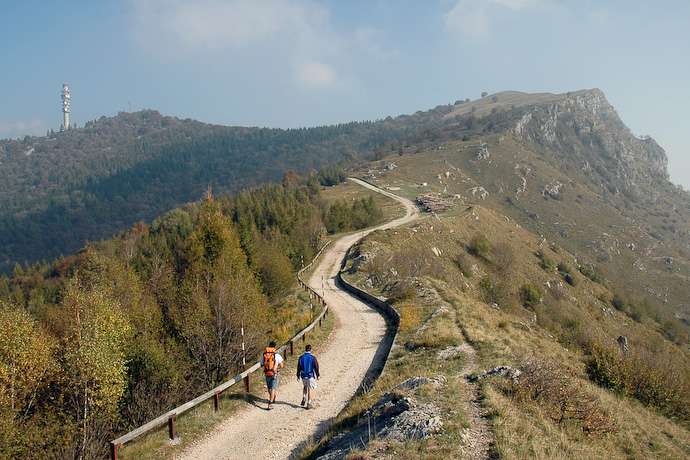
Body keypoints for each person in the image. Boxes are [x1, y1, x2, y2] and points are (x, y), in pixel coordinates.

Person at [259, 341, 284, 410]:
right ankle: (270, 402)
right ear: (275, 347)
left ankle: (272, 397)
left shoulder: (264, 355)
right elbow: (281, 365)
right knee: (273, 388)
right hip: (275, 373)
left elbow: (261, 364)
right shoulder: (277, 355)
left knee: (269, 387)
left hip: (267, 373)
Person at [296, 344, 320, 409]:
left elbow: (299, 367)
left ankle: (304, 397)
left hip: (303, 375)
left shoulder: (301, 357)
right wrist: (318, 375)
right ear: (311, 350)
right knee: (310, 388)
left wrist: (298, 375)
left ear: (305, 350)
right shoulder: (313, 358)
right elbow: (316, 367)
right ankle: (309, 403)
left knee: (305, 386)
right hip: (310, 376)